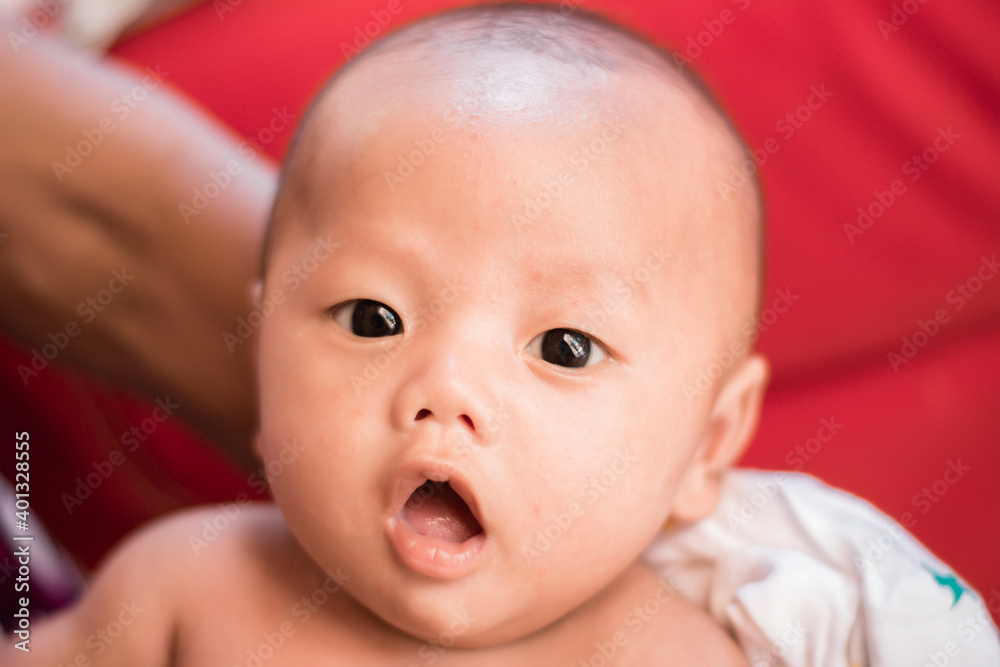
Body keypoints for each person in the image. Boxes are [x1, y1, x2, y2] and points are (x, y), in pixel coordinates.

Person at [3, 4, 764, 663]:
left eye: (564, 347)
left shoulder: (685, 653)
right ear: (263, 348)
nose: (446, 385)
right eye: (375, 320)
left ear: (709, 443)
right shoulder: (185, 591)